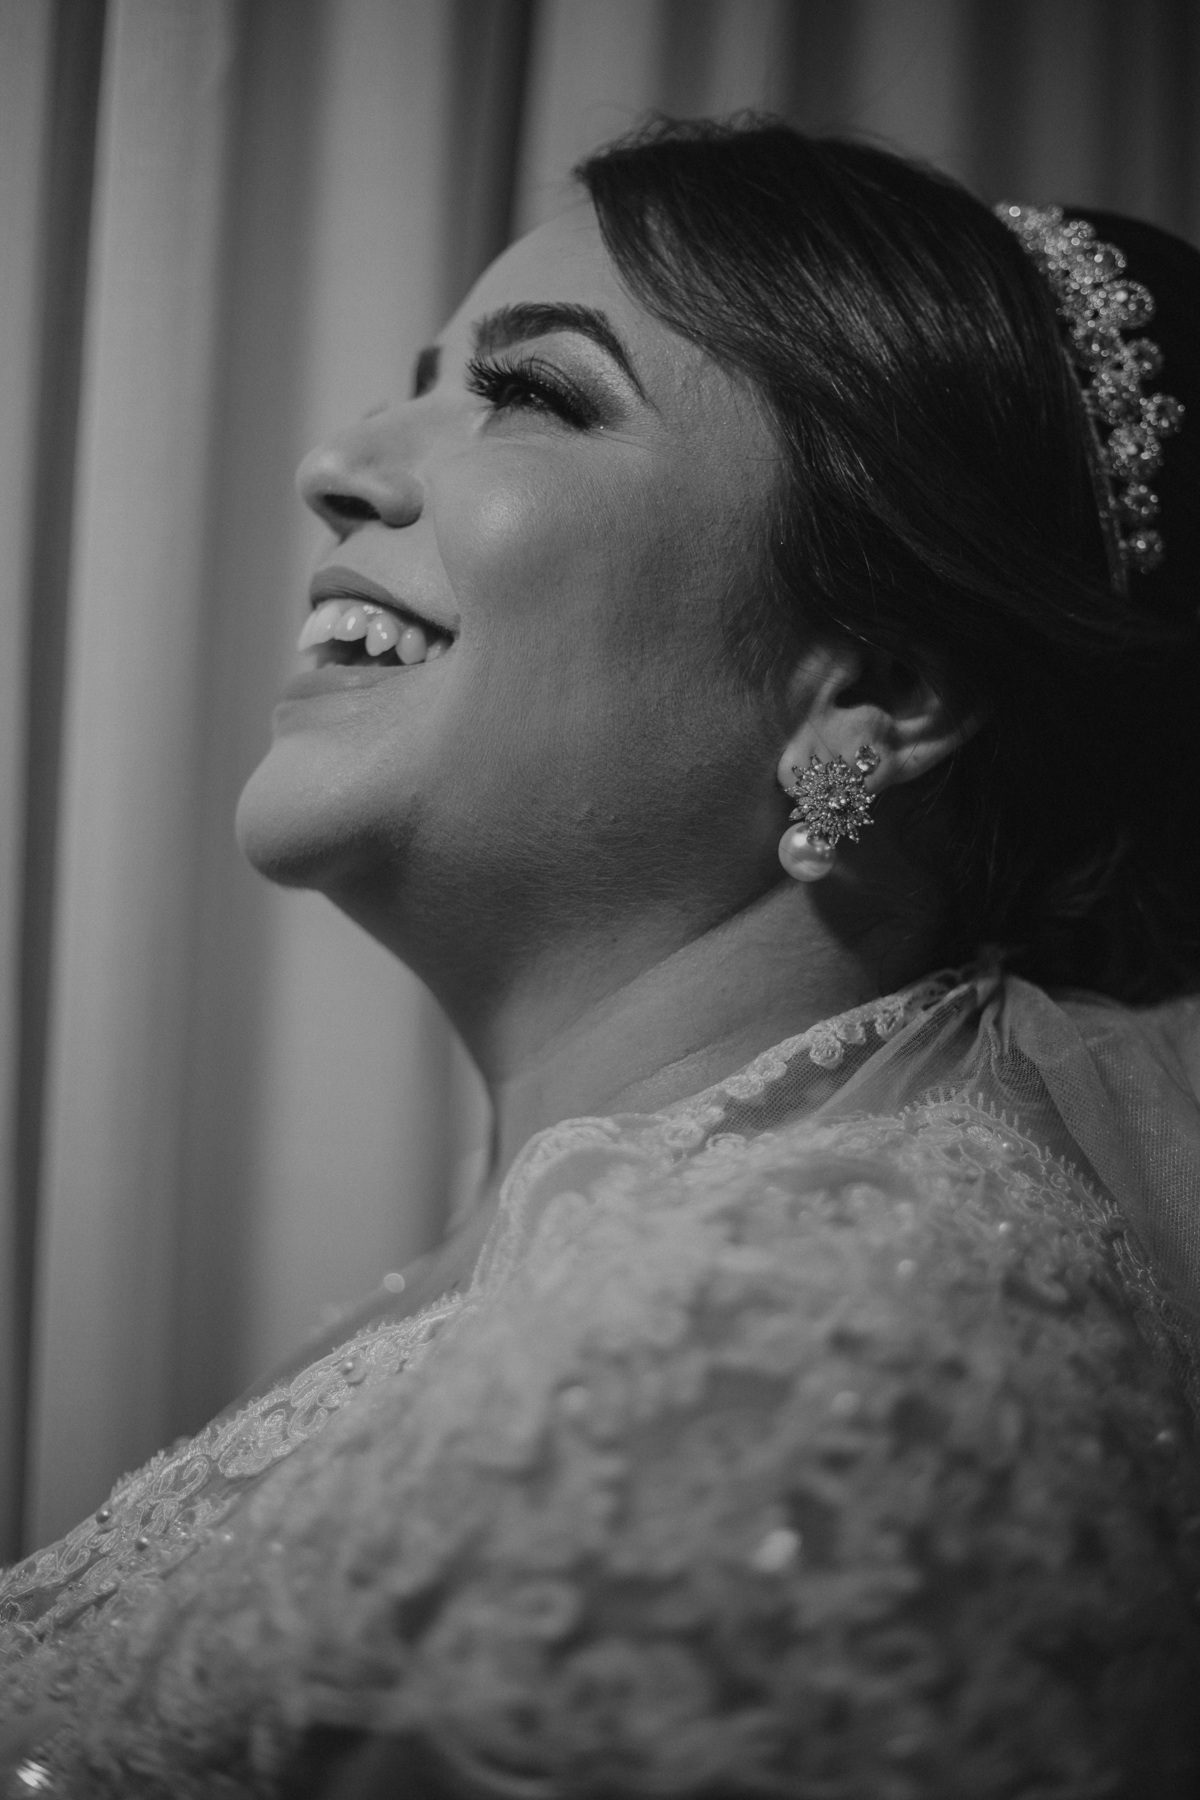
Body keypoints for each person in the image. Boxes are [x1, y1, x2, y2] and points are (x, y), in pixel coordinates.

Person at [3, 117, 1200, 1798]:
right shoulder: (610, 1276)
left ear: (873, 693)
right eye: (425, 383)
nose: (338, 463)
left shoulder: (816, 1360)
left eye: (531, 393)